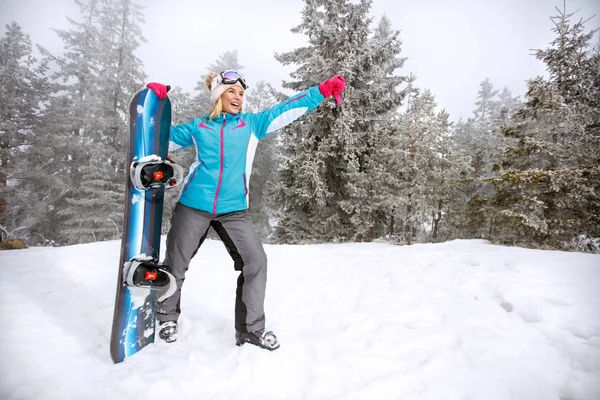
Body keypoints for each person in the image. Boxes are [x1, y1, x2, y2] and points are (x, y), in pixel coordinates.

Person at [145, 70, 345, 350]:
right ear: (218, 95)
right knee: (176, 263)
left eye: (241, 93)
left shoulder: (251, 124)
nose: (238, 97)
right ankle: (166, 318)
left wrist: (321, 91)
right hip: (194, 205)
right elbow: (159, 139)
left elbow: (285, 110)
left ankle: (250, 330)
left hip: (234, 209)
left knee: (256, 261)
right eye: (231, 91)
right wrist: (155, 108)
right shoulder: (199, 127)